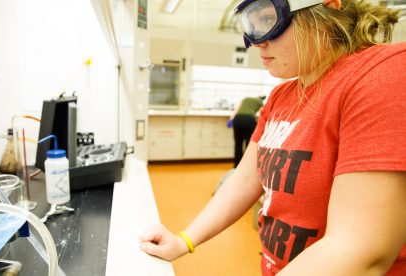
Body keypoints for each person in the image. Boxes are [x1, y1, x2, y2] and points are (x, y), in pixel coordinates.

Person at [140, 0, 406, 275]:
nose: (256, 42)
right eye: (251, 25)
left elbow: (360, 250)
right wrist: (184, 240)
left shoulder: (382, 73)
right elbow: (244, 179)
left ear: (327, 9)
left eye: (268, 20)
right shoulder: (280, 97)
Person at [228, 96, 265, 167]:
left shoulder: (246, 99)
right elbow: (263, 112)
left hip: (237, 119)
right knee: (249, 144)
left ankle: (236, 166)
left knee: (238, 144)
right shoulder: (260, 101)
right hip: (249, 120)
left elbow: (236, 109)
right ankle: (246, 166)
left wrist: (231, 119)